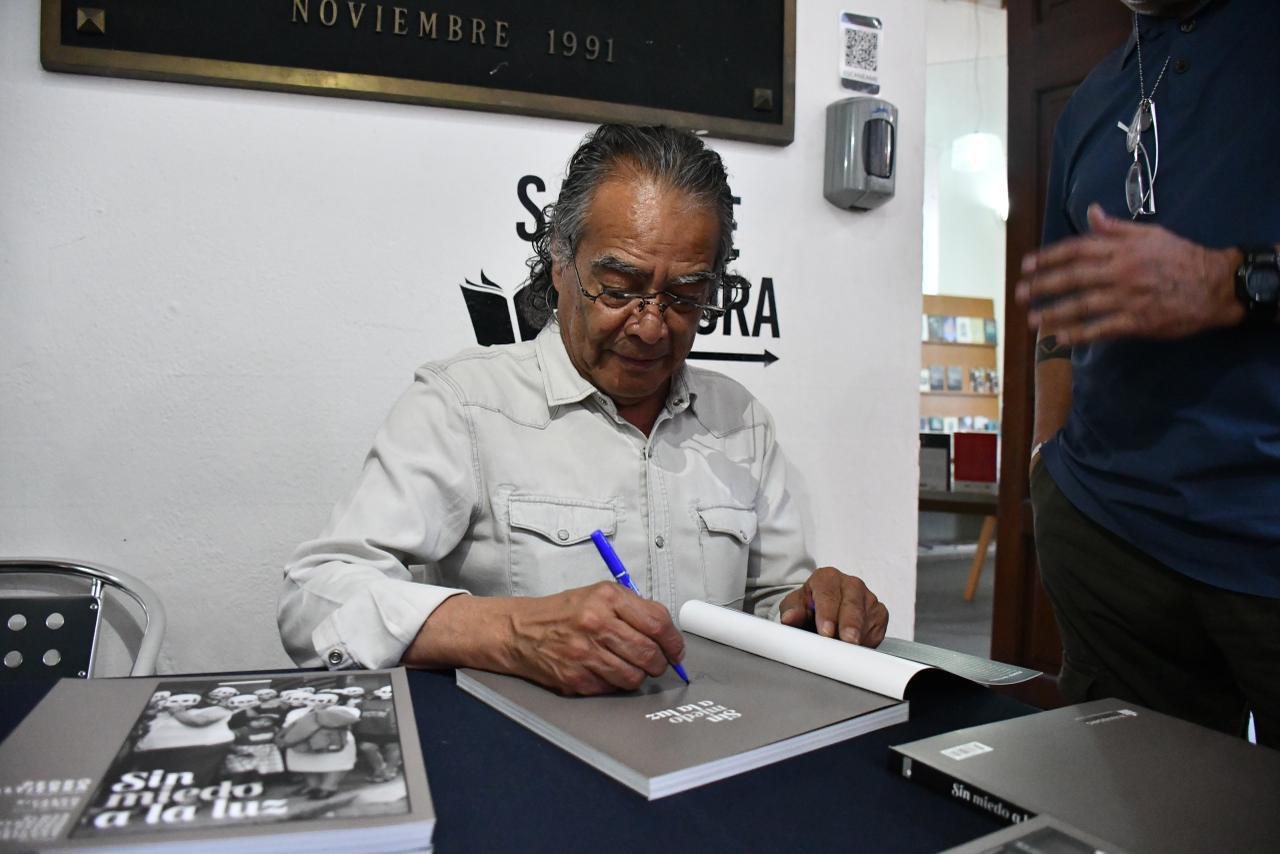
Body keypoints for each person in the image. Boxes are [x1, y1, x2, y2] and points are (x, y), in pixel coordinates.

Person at [278, 124, 889, 695]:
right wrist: (514, 634)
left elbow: (771, 602)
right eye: (619, 290)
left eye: (684, 297)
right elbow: (315, 599)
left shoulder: (740, 420)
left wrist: (814, 610)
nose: (651, 328)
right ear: (560, 263)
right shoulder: (463, 407)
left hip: (708, 751)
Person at [1016, 0, 1279, 746]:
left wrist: (1234, 282)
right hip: (1110, 548)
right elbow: (1061, 318)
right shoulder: (1094, 101)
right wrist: (1048, 466)